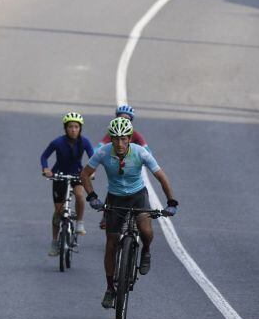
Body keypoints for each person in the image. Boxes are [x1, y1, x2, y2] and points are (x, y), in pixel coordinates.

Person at [81, 117, 177, 309]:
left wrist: (171, 202)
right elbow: (84, 174)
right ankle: (110, 288)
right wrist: (92, 197)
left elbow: (161, 177)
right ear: (111, 139)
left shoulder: (140, 153)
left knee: (146, 230)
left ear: (129, 138)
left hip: (138, 195)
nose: (119, 143)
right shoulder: (103, 152)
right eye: (115, 139)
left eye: (124, 139)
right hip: (115, 198)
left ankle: (146, 251)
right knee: (111, 243)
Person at [40, 112, 94, 252]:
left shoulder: (85, 142)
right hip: (59, 175)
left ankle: (80, 223)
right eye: (70, 127)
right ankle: (54, 241)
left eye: (76, 127)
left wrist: (91, 171)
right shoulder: (57, 142)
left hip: (77, 174)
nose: (73, 129)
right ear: (65, 128)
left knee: (80, 196)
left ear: (80, 128)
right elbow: (44, 156)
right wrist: (46, 169)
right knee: (58, 212)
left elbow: (93, 158)